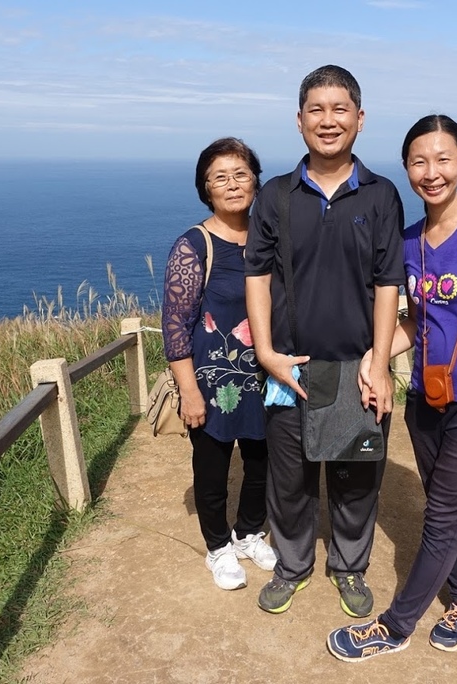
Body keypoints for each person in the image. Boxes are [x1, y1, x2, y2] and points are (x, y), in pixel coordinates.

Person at [326, 114, 457, 661]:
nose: (432, 172)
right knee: (450, 508)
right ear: (406, 168)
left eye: (443, 159)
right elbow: (418, 322)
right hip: (426, 398)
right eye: (419, 161)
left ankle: (394, 627)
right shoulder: (409, 241)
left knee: (441, 517)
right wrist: (374, 359)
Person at [245, 65, 405, 616]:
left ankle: (349, 567)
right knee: (289, 478)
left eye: (340, 109)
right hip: (291, 368)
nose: (328, 120)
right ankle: (292, 567)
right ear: (299, 120)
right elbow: (257, 276)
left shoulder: (381, 196)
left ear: (360, 118)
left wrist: (378, 364)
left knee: (356, 478)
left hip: (357, 367)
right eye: (316, 109)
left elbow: (388, 282)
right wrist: (266, 354)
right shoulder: (276, 196)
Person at [162, 137, 277, 591]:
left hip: (265, 377)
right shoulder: (195, 244)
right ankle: (217, 546)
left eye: (240, 174)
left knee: (262, 461)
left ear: (255, 181)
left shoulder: (269, 239)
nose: (232, 184)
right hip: (211, 381)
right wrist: (189, 391)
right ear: (205, 188)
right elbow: (175, 324)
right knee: (211, 468)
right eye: (219, 178)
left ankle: (249, 533)